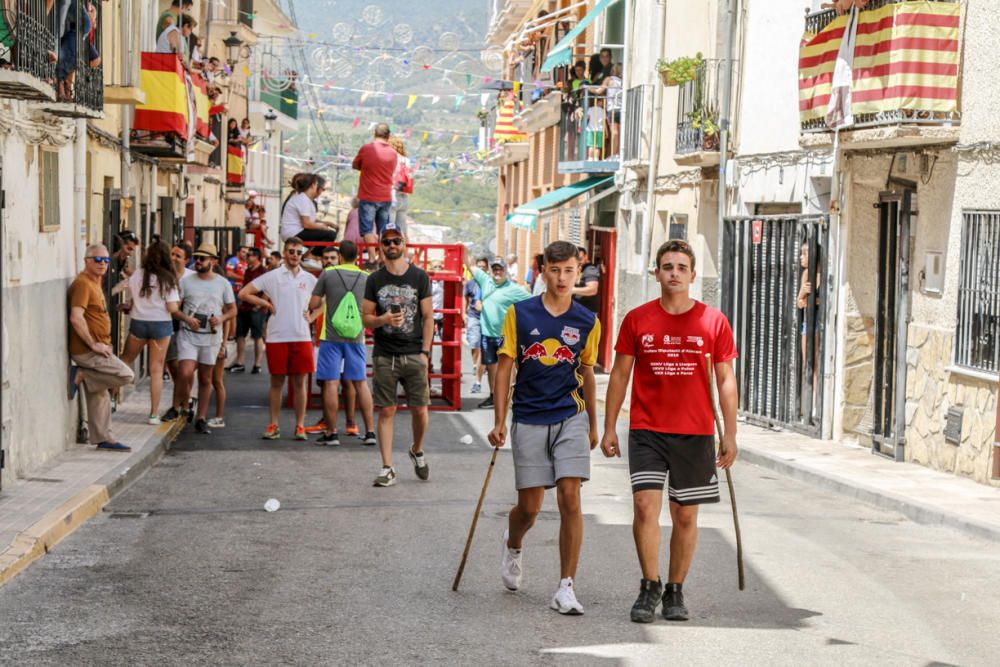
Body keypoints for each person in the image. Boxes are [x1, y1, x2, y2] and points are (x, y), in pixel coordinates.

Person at [600, 239, 739, 623]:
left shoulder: (713, 322)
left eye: (681, 267)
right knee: (645, 506)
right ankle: (649, 585)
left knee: (685, 516)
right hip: (646, 430)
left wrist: (730, 432)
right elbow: (620, 374)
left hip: (695, 432)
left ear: (693, 275)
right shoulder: (637, 319)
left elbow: (726, 379)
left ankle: (675, 589)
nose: (674, 273)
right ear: (657, 273)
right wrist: (610, 426)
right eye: (667, 266)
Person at [488, 240, 601, 615]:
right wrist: (499, 420)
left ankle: (565, 586)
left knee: (571, 496)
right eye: (555, 271)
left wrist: (594, 424)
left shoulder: (588, 321)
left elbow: (587, 371)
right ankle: (513, 541)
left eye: (570, 270)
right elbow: (505, 368)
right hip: (529, 416)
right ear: (543, 271)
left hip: (571, 414)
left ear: (578, 270)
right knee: (530, 508)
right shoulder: (520, 314)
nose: (563, 278)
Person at [361, 223, 434, 487]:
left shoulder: (419, 277)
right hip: (385, 355)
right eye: (387, 241)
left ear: (404, 244)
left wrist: (425, 352)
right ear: (380, 245)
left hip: (414, 352)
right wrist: (382, 320)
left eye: (396, 241)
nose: (392, 246)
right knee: (387, 410)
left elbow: (428, 318)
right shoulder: (375, 280)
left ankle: (417, 449)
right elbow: (365, 319)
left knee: (420, 409)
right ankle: (387, 467)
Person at [239, 237, 318, 441]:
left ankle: (300, 426)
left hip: (301, 336)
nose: (295, 255)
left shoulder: (309, 279)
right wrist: (265, 304)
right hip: (277, 337)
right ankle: (273, 424)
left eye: (299, 252)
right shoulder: (272, 276)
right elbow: (244, 293)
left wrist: (313, 317)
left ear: (302, 255)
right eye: (291, 251)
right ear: (284, 252)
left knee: (300, 382)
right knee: (277, 382)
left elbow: (324, 301)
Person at [308, 240, 377, 447]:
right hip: (356, 336)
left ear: (339, 257)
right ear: (357, 257)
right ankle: (370, 432)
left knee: (330, 382)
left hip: (331, 335)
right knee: (360, 382)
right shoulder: (366, 277)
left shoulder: (328, 274)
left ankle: (331, 433)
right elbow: (371, 308)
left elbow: (313, 303)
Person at [68, 244, 135, 452]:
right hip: (87, 352)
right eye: (97, 260)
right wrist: (93, 344)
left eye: (106, 260)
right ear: (86, 260)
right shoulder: (82, 284)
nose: (103, 264)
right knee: (126, 375)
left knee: (99, 393)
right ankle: (84, 375)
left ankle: (103, 438)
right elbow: (76, 317)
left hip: (99, 348)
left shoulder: (94, 282)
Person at [171, 243, 237, 434]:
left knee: (206, 378)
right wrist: (187, 318)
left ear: (213, 261)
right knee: (184, 371)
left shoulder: (223, 283)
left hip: (211, 338)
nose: (198, 261)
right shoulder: (186, 281)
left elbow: (233, 310)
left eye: (202, 258)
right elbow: (174, 308)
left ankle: (201, 417)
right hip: (188, 334)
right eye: (196, 258)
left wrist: (221, 319)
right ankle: (185, 403)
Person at [120, 241, 181, 424]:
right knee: (156, 370)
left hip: (139, 323)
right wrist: (178, 304)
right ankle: (153, 414)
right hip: (161, 326)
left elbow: (132, 297)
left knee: (125, 360)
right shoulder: (168, 278)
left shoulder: (138, 275)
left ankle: (112, 396)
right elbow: (171, 307)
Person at [468, 255, 531, 409]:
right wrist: (462, 248)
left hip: (505, 336)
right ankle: (493, 396)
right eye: (495, 269)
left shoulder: (514, 289)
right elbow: (470, 264)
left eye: (500, 269)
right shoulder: (485, 281)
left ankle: (509, 397)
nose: (497, 272)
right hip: (487, 335)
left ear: (505, 271)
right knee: (491, 367)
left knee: (507, 368)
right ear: (491, 270)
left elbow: (533, 302)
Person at [353, 123, 400, 265]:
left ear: (375, 133)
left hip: (368, 195)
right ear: (388, 136)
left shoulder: (366, 149)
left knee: (367, 228)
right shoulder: (393, 153)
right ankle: (382, 257)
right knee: (383, 229)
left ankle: (372, 258)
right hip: (385, 196)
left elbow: (356, 165)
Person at [231, 247, 267, 374]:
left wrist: (259, 305)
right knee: (240, 335)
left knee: (257, 336)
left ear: (257, 257)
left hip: (256, 308)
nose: (247, 256)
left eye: (250, 255)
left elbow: (267, 290)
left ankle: (257, 364)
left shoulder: (263, 271)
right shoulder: (247, 270)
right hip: (244, 306)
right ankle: (240, 362)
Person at [279, 173, 337, 248]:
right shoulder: (303, 199)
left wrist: (325, 223)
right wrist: (322, 227)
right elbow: (306, 224)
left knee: (328, 234)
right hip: (293, 233)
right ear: (313, 185)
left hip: (296, 231)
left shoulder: (305, 199)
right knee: (330, 234)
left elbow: (310, 220)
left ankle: (314, 254)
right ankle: (314, 255)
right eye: (322, 188)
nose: (322, 191)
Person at [464, 257, 487, 394]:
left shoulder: (490, 283)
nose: (481, 269)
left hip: (489, 320)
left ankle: (482, 384)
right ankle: (476, 367)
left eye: (484, 267)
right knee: (475, 344)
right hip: (474, 316)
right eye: (479, 267)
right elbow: (474, 303)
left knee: (484, 349)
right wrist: (464, 314)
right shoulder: (471, 283)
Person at [389, 136, 413, 232]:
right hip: (404, 197)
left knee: (390, 228)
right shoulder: (406, 160)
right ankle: (403, 246)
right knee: (401, 229)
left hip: (392, 195)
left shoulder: (390, 159)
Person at [572, 246, 601, 314]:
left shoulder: (590, 269)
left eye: (580, 258)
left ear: (586, 256)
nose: (579, 261)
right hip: (580, 310)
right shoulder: (581, 268)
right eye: (576, 259)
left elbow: (593, 289)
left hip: (587, 311)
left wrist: (572, 290)